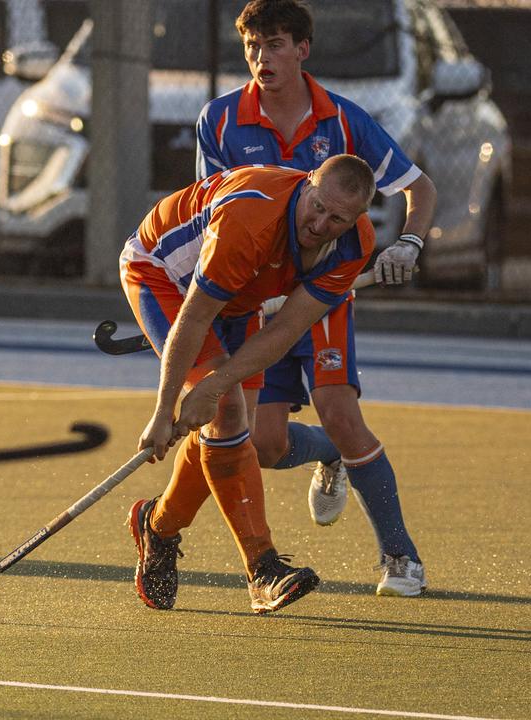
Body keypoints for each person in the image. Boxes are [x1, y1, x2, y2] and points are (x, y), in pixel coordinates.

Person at [195, 0, 433, 597]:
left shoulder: (344, 120)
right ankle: (331, 455)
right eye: (253, 46)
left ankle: (401, 559)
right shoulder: (220, 121)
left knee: (339, 408)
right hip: (257, 302)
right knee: (267, 445)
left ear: (303, 49)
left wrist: (408, 241)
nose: (261, 57)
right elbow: (207, 215)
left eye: (275, 44)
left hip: (325, 295)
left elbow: (419, 188)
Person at [122, 154, 376, 614]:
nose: (320, 224)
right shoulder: (250, 218)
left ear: (358, 219)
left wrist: (214, 386)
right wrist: (164, 411)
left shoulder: (353, 245)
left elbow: (282, 333)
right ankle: (262, 569)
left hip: (243, 294)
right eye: (316, 206)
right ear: (309, 183)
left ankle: (157, 527)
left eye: (337, 218)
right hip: (162, 275)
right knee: (230, 413)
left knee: (230, 429)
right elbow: (195, 315)